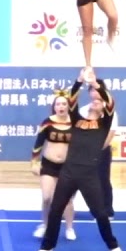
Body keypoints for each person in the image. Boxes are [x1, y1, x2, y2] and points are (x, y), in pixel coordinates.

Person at [36, 68, 122, 251]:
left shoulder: (104, 122)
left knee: (99, 212)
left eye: (99, 101)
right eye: (94, 99)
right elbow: (72, 99)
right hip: (68, 172)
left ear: (104, 107)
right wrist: (80, 80)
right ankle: (47, 246)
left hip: (89, 174)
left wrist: (96, 86)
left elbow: (111, 102)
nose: (95, 102)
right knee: (56, 209)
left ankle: (112, 245)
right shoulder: (77, 118)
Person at [30, 92, 77, 241]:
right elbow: (38, 144)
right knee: (47, 198)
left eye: (64, 104)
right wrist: (34, 162)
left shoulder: (75, 123)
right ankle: (45, 225)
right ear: (54, 107)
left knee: (67, 199)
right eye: (58, 104)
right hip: (49, 165)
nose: (61, 107)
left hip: (68, 166)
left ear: (69, 106)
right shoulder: (47, 123)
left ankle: (69, 228)